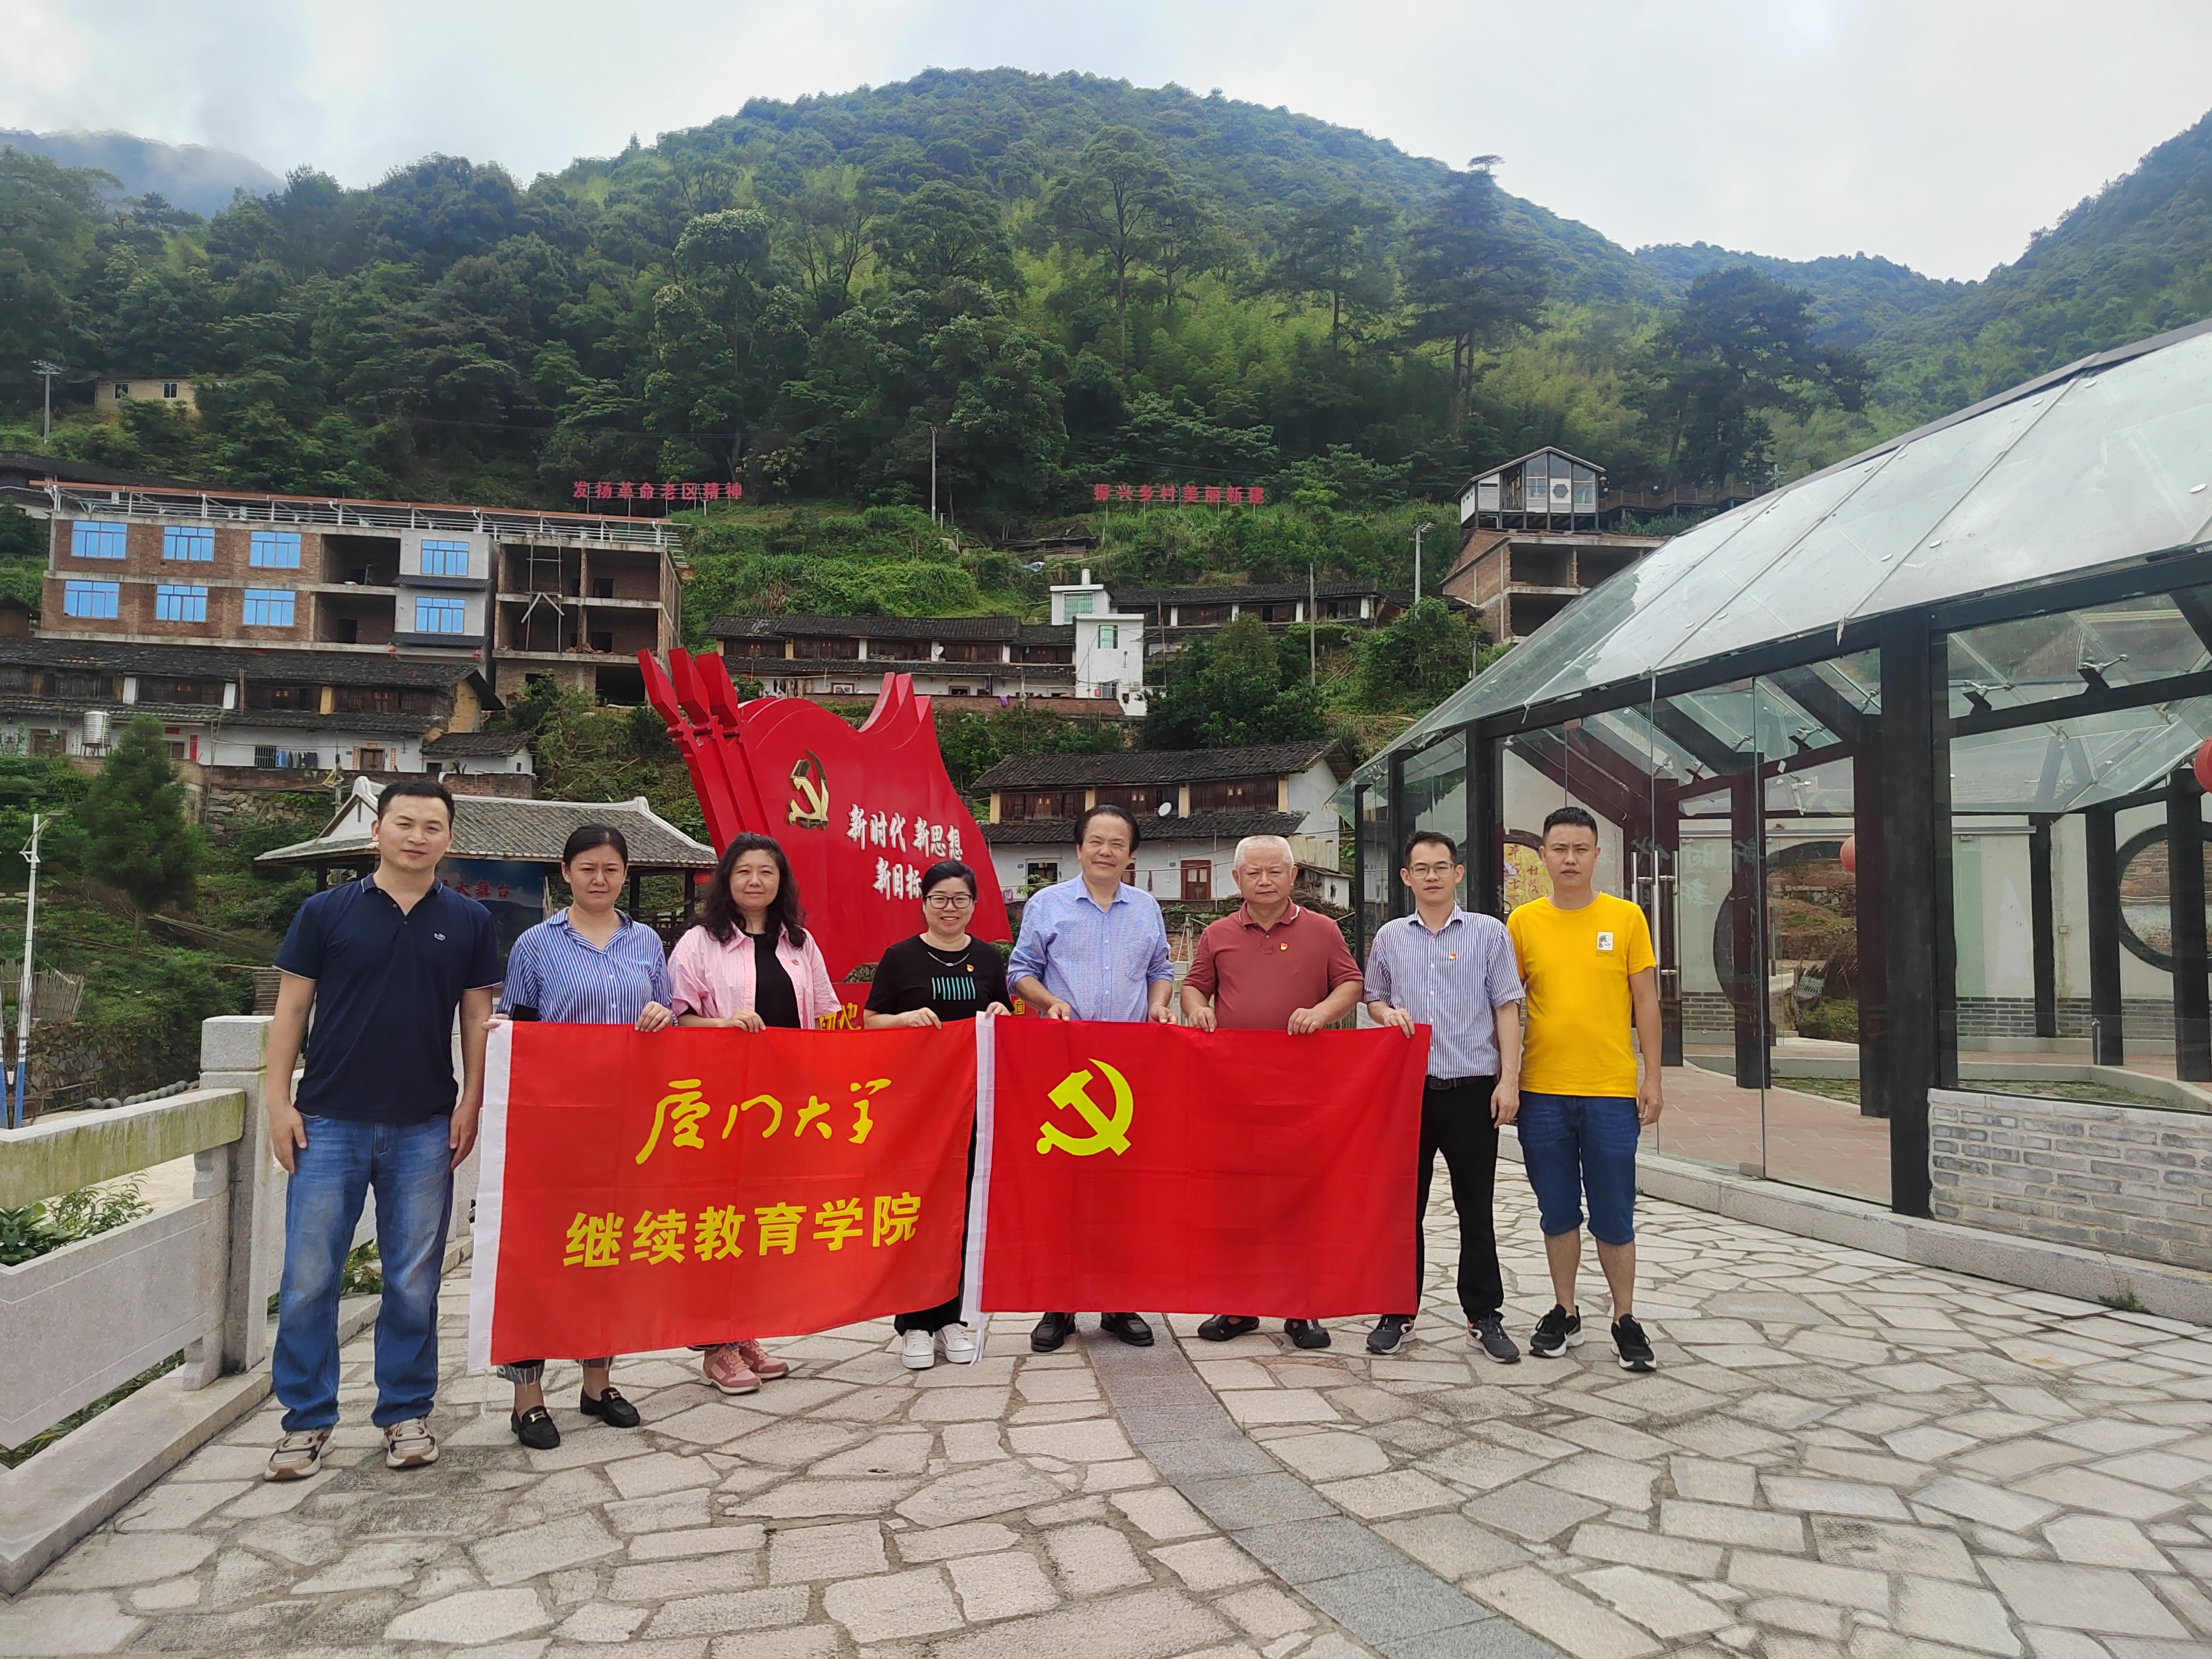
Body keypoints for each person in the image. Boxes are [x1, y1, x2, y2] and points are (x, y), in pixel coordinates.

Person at [261, 779, 500, 1481]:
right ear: (377, 831)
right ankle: (306, 1419)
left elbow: (477, 1018)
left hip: (424, 1124)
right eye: (404, 823)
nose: (416, 837)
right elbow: (290, 1010)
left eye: (432, 826)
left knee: (413, 1279)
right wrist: (278, 1102)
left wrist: (472, 1101)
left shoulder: (468, 921)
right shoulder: (325, 911)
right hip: (328, 1120)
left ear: (449, 839)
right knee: (309, 1279)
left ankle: (405, 1411)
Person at [489, 826, 674, 1449]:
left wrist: (664, 1016)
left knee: (609, 1250)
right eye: (588, 868)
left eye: (611, 869)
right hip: (554, 1126)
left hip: (627, 1124)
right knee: (539, 1253)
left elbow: (670, 1019)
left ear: (626, 875)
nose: (600, 879)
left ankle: (598, 1384)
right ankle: (527, 1397)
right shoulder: (536, 944)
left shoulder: (645, 942)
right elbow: (519, 1028)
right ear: (565, 873)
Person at [667, 832, 840, 1394]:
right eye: (744, 871)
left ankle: (744, 1332)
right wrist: (724, 1025)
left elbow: (826, 1014)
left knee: (759, 1221)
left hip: (784, 1107)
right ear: (727, 880)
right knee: (717, 1221)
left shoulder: (800, 943)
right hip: (720, 1105)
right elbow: (676, 1018)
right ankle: (715, 1345)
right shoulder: (699, 943)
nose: (755, 881)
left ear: (780, 881)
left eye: (766, 871)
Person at [1181, 833, 1365, 1350]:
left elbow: (1351, 984)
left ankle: (1301, 1308)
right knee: (1238, 1199)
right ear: (1236, 879)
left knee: (1299, 1197)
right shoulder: (1217, 934)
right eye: (1254, 873)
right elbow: (1194, 986)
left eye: (1275, 871)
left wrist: (1322, 1012)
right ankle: (1238, 1306)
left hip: (1303, 1090)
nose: (1265, 881)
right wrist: (1196, 1009)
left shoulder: (1323, 930)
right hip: (1234, 1091)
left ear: (1293, 876)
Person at [1007, 803, 1175, 1352]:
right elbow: (1020, 971)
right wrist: (1048, 1002)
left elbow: (1161, 970)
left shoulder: (1146, 908)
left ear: (1131, 855)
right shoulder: (1047, 904)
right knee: (1063, 1187)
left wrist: (1159, 1004)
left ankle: (1119, 1302)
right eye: (1096, 841)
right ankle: (1059, 1305)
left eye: (1117, 843)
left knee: (1123, 1189)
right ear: (1078, 849)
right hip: (1064, 1066)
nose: (1106, 851)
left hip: (1130, 1065)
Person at [1507, 806, 1664, 1373]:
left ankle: (1624, 1318)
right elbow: (1506, 1004)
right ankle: (1565, 1311)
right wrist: (1506, 1078)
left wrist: (1653, 1076)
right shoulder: (1523, 922)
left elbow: (1645, 1001)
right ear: (1543, 855)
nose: (1569, 859)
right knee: (1556, 1210)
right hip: (1542, 1091)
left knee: (1614, 1210)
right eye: (1559, 849)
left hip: (1609, 1091)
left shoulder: (1626, 918)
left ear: (1598, 855)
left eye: (1580, 849)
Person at [1362, 830, 1527, 1362]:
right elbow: (1374, 998)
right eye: (1421, 868)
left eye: (1441, 867)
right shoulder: (1391, 937)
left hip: (1473, 1090)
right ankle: (1398, 1310)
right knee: (1402, 1208)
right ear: (1406, 878)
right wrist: (1386, 1013)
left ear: (1458, 873)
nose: (1431, 876)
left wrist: (1509, 1080)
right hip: (1408, 1092)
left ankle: (1484, 1315)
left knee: (1475, 1208)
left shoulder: (1488, 933)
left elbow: (1507, 1007)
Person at [865, 860, 1011, 1369]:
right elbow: (870, 1021)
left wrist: (1002, 1015)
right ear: (924, 902)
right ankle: (914, 1323)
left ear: (974, 904)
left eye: (960, 899)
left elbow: (1003, 1018)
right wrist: (904, 1019)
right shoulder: (900, 957)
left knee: (963, 1210)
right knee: (918, 1207)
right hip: (917, 1106)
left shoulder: (988, 958)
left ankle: (953, 1318)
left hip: (973, 1106)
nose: (950, 908)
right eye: (940, 899)